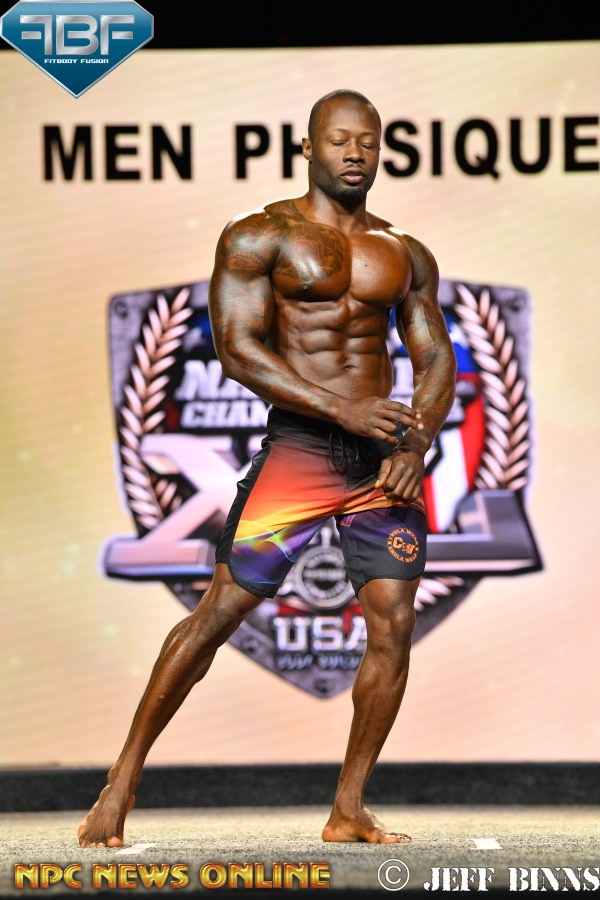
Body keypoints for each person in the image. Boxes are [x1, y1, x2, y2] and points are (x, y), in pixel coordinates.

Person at [78, 88, 457, 848]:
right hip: (302, 453)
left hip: (382, 463)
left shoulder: (404, 251)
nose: (355, 153)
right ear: (308, 148)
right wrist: (342, 409)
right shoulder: (260, 236)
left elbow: (435, 356)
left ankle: (348, 808)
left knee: (394, 623)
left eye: (369, 142)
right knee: (220, 611)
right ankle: (121, 781)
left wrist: (414, 447)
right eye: (339, 140)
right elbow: (238, 350)